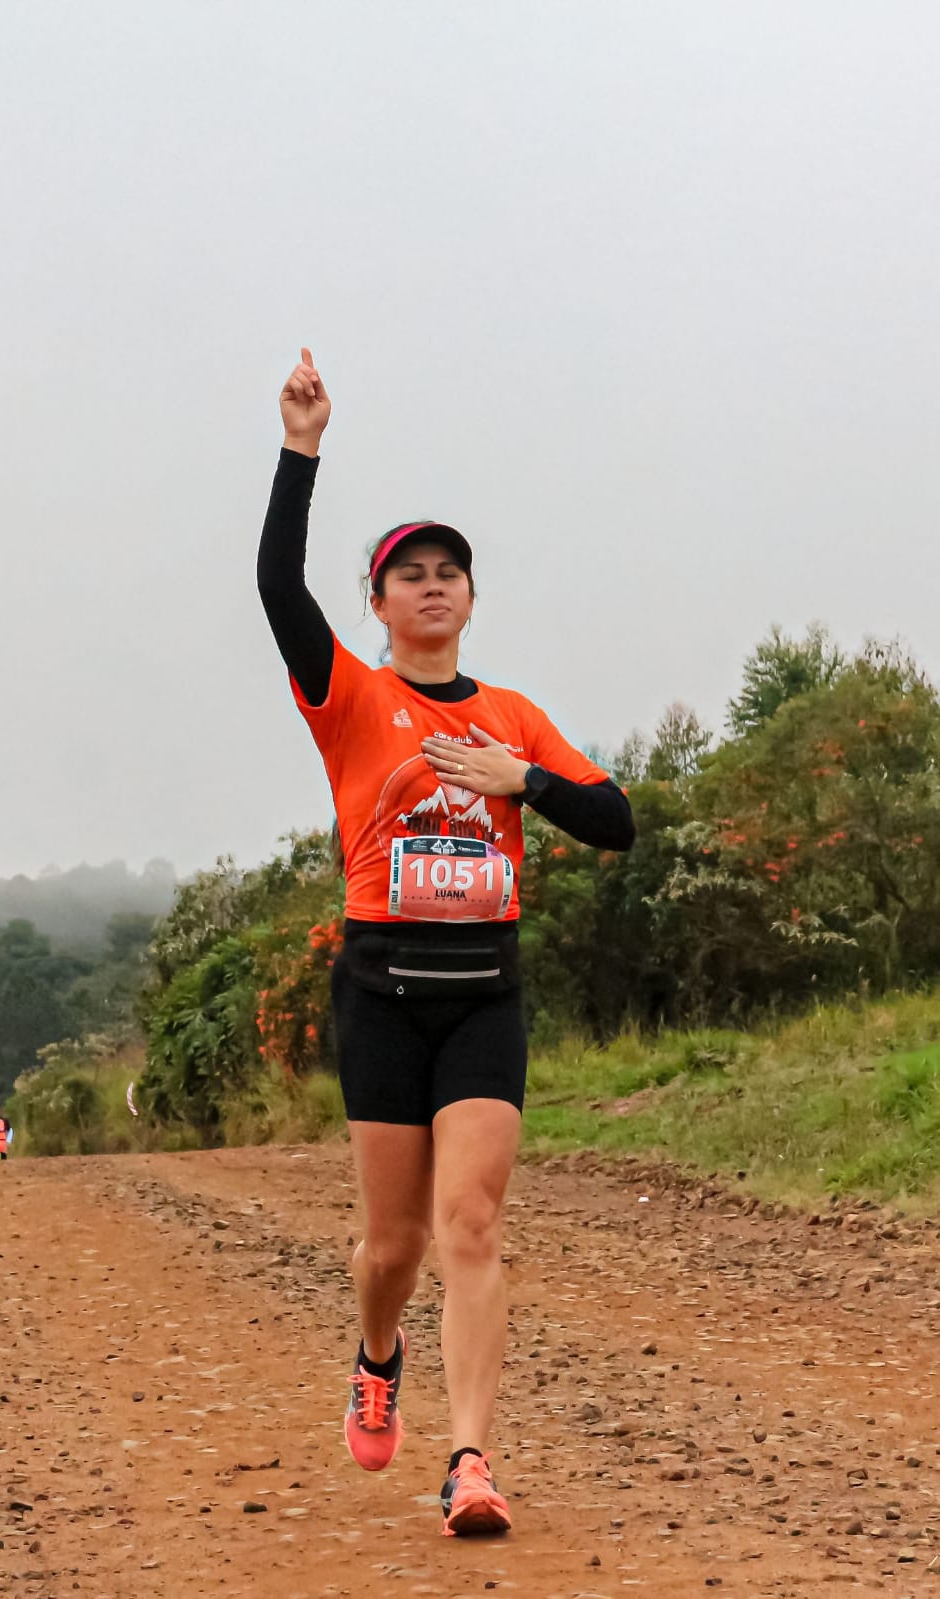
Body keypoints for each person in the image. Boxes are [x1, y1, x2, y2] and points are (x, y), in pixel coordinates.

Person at [257, 348, 635, 1537]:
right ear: (378, 605)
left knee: (472, 1226)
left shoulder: (514, 717)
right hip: (379, 992)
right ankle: (378, 1358)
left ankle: (471, 1461)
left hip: (484, 995)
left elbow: (616, 820)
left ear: (471, 597)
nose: (431, 587)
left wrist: (524, 780)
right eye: (408, 575)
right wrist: (302, 450)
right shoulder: (350, 699)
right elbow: (276, 587)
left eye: (448, 573)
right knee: (394, 1246)